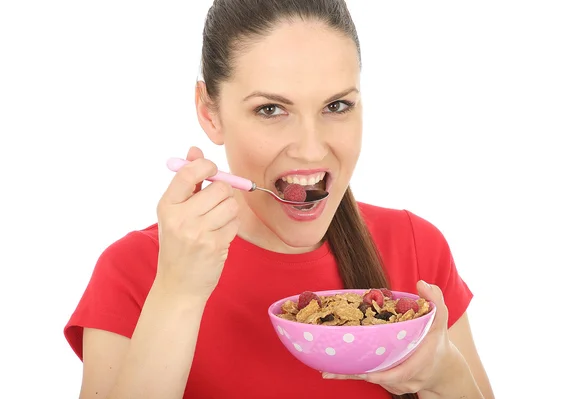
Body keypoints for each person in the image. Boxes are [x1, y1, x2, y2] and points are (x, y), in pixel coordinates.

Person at [64, 1, 495, 398]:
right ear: (209, 113)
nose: (310, 148)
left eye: (337, 106)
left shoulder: (416, 248)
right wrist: (178, 293)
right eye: (271, 109)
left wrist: (443, 372)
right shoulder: (135, 272)